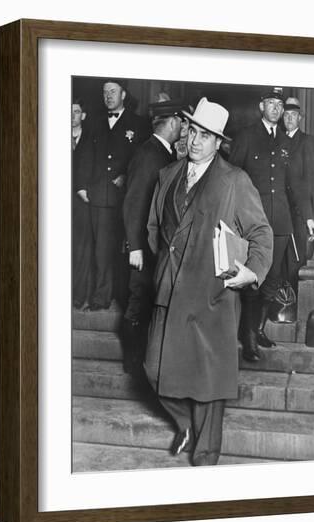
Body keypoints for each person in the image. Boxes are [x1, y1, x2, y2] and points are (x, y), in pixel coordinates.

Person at [144, 98, 273, 466]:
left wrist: (251, 271)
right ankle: (184, 425)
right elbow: (155, 229)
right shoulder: (168, 175)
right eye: (193, 131)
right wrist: (169, 265)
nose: (196, 141)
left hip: (211, 298)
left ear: (219, 142)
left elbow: (261, 234)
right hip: (169, 291)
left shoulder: (235, 181)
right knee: (153, 371)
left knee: (208, 388)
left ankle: (206, 465)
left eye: (206, 136)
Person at [229, 88, 311, 361]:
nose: (276, 108)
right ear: (261, 105)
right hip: (255, 222)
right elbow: (233, 177)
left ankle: (258, 328)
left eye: (279, 104)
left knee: (273, 280)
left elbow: (296, 184)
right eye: (271, 103)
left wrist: (308, 215)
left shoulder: (287, 142)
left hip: (282, 221)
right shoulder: (247, 136)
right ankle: (249, 339)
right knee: (254, 279)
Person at [122, 100, 186, 373]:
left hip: (155, 244)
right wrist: (135, 246)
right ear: (172, 123)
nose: (183, 127)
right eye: (181, 122)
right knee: (138, 302)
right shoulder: (150, 154)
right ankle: (133, 362)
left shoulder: (163, 152)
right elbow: (133, 202)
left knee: (148, 301)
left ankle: (142, 359)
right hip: (144, 246)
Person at [77, 79, 149, 311]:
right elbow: (85, 155)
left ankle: (125, 297)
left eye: (113, 91)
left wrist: (127, 176)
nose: (108, 96)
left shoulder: (138, 124)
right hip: (98, 196)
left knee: (128, 249)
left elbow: (142, 158)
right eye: (105, 92)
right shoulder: (95, 123)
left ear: (124, 94)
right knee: (101, 251)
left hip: (127, 198)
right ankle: (101, 298)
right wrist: (81, 186)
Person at [282, 97, 314, 293]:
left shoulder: (306, 141)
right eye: (286, 115)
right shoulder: (278, 140)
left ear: (300, 118)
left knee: (296, 259)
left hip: (298, 211)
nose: (289, 118)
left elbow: (310, 181)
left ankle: (293, 301)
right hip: (279, 208)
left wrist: (308, 215)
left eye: (293, 115)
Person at [72, 98, 94, 309]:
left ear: (83, 115)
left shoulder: (92, 139)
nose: (72, 116)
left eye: (76, 112)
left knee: (81, 250)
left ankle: (78, 295)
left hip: (82, 203)